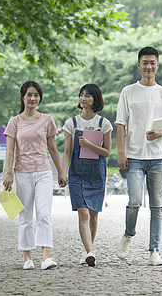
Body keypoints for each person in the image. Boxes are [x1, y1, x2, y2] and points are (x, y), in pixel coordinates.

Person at [114, 46, 162, 266]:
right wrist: (121, 152)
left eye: (153, 62)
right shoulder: (128, 92)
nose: (149, 66)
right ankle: (128, 234)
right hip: (134, 157)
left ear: (157, 65)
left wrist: (160, 133)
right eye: (145, 62)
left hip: (158, 157)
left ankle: (154, 251)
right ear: (138, 65)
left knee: (157, 205)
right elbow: (120, 124)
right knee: (134, 201)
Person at [3, 81, 67, 270]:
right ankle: (27, 257)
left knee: (44, 214)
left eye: (36, 95)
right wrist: (8, 173)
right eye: (29, 95)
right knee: (25, 216)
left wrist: (61, 171)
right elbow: (10, 151)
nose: (33, 99)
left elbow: (53, 149)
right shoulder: (14, 122)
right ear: (23, 97)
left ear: (40, 98)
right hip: (22, 173)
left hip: (44, 172)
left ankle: (46, 257)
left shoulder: (47, 120)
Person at [61, 84, 112, 267]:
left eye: (88, 96)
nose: (83, 98)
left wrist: (89, 144)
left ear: (95, 99)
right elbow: (67, 152)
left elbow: (107, 152)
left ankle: (86, 250)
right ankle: (90, 252)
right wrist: (63, 172)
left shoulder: (103, 124)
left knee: (94, 216)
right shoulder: (71, 123)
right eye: (81, 95)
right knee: (83, 213)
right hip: (76, 174)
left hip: (96, 174)